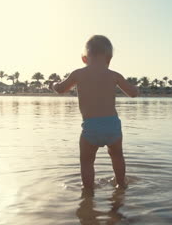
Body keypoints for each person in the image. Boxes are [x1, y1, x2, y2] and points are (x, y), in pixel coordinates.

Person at [50, 35, 138, 190]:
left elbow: (61, 89)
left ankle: (88, 193)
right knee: (117, 157)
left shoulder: (78, 74)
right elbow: (132, 93)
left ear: (84, 58)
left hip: (91, 127)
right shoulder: (114, 75)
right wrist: (135, 88)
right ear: (109, 58)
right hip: (113, 127)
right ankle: (121, 185)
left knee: (87, 162)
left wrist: (54, 85)